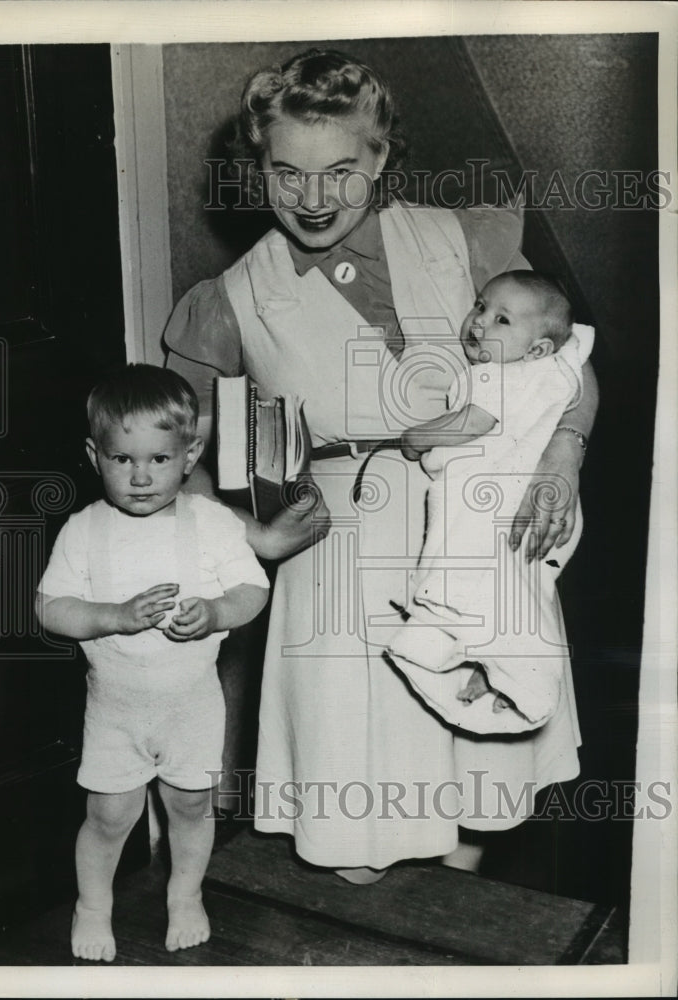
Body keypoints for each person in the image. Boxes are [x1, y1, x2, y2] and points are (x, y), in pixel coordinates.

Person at [163, 49, 598, 882]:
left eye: (339, 171)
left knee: (479, 803)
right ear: (258, 168)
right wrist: (251, 533)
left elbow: (564, 369)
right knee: (362, 840)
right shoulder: (231, 298)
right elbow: (174, 451)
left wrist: (562, 455)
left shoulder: (461, 240)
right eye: (287, 173)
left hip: (481, 530)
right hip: (341, 554)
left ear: (380, 159)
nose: (314, 198)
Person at [35, 364, 269, 961]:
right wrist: (113, 616)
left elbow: (253, 589)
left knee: (191, 805)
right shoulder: (84, 530)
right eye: (122, 460)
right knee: (110, 815)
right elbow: (50, 608)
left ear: (189, 455)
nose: (140, 477)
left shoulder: (211, 523)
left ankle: (185, 894)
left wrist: (216, 613)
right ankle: (93, 906)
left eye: (159, 460)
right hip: (115, 711)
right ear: (95, 455)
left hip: (191, 705)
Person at [388, 271, 594, 734]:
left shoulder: (500, 375)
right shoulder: (546, 369)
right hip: (526, 506)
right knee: (510, 597)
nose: (480, 322)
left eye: (502, 320)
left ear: (538, 348)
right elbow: (578, 347)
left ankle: (507, 666)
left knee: (471, 581)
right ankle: (492, 662)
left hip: (502, 503)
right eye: (481, 307)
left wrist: (417, 437)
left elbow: (473, 422)